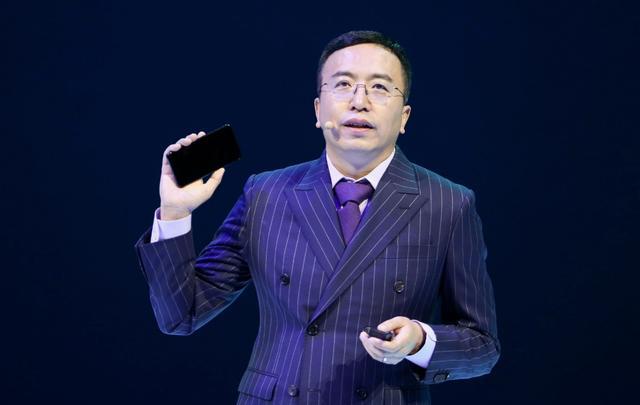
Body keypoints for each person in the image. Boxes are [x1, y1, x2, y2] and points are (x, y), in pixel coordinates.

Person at [135, 30, 500, 404]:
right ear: (317, 110)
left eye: (379, 87)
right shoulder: (266, 193)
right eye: (343, 85)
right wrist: (175, 212)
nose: (359, 101)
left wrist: (420, 341)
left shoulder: (448, 204)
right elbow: (181, 314)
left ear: (404, 116)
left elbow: (482, 346)